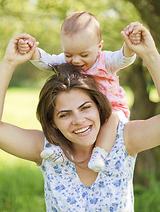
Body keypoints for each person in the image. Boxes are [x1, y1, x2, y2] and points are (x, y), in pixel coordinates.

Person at [0, 23, 160, 211]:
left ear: (99, 107)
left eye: (85, 108)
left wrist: (150, 55)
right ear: (53, 122)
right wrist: (9, 63)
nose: (78, 120)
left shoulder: (123, 140)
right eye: (64, 114)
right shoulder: (46, 149)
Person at [17, 12, 141, 172]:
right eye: (69, 54)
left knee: (112, 119)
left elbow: (123, 58)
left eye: (84, 55)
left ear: (99, 47)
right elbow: (47, 62)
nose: (75, 60)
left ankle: (100, 153)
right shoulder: (65, 61)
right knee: (63, 116)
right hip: (84, 111)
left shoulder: (105, 61)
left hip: (111, 108)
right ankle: (60, 149)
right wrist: (32, 50)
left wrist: (130, 47)